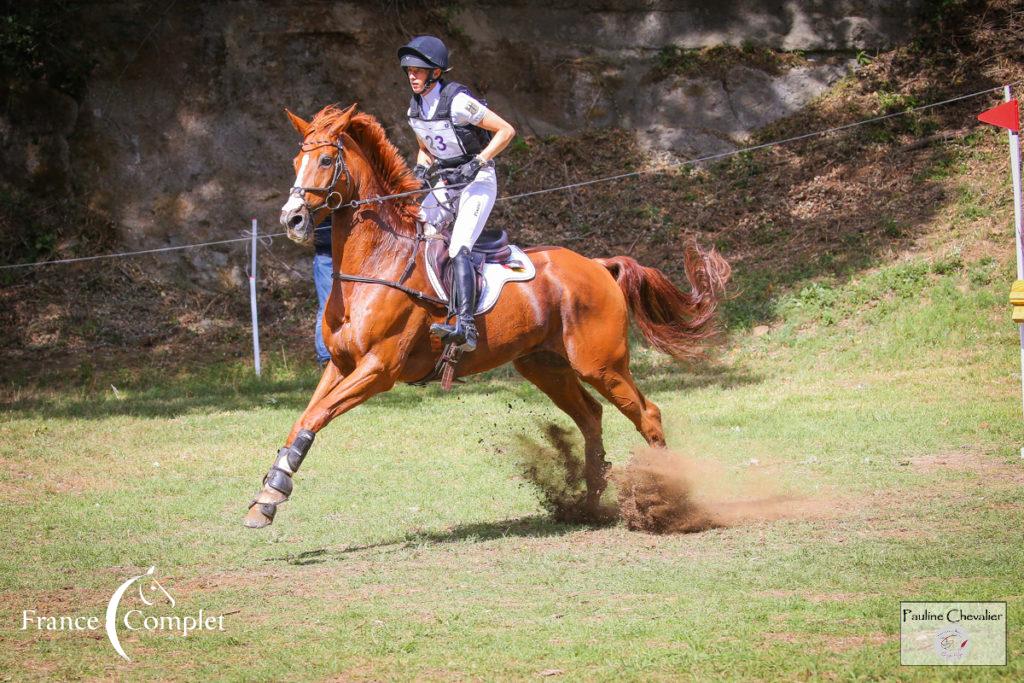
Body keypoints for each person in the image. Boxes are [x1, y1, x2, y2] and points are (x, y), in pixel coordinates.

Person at [398, 35, 516, 352]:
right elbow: (426, 147)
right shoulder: (415, 109)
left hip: (478, 180)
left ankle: (466, 326)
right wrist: (422, 166)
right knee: (417, 228)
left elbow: (506, 131)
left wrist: (478, 160)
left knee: (459, 246)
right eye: (409, 69)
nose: (412, 75)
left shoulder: (459, 101)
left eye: (419, 70)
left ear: (436, 72)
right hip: (447, 182)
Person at [312, 217, 332, 369]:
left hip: (350, 254)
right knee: (327, 305)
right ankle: (325, 357)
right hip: (326, 256)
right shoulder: (320, 196)